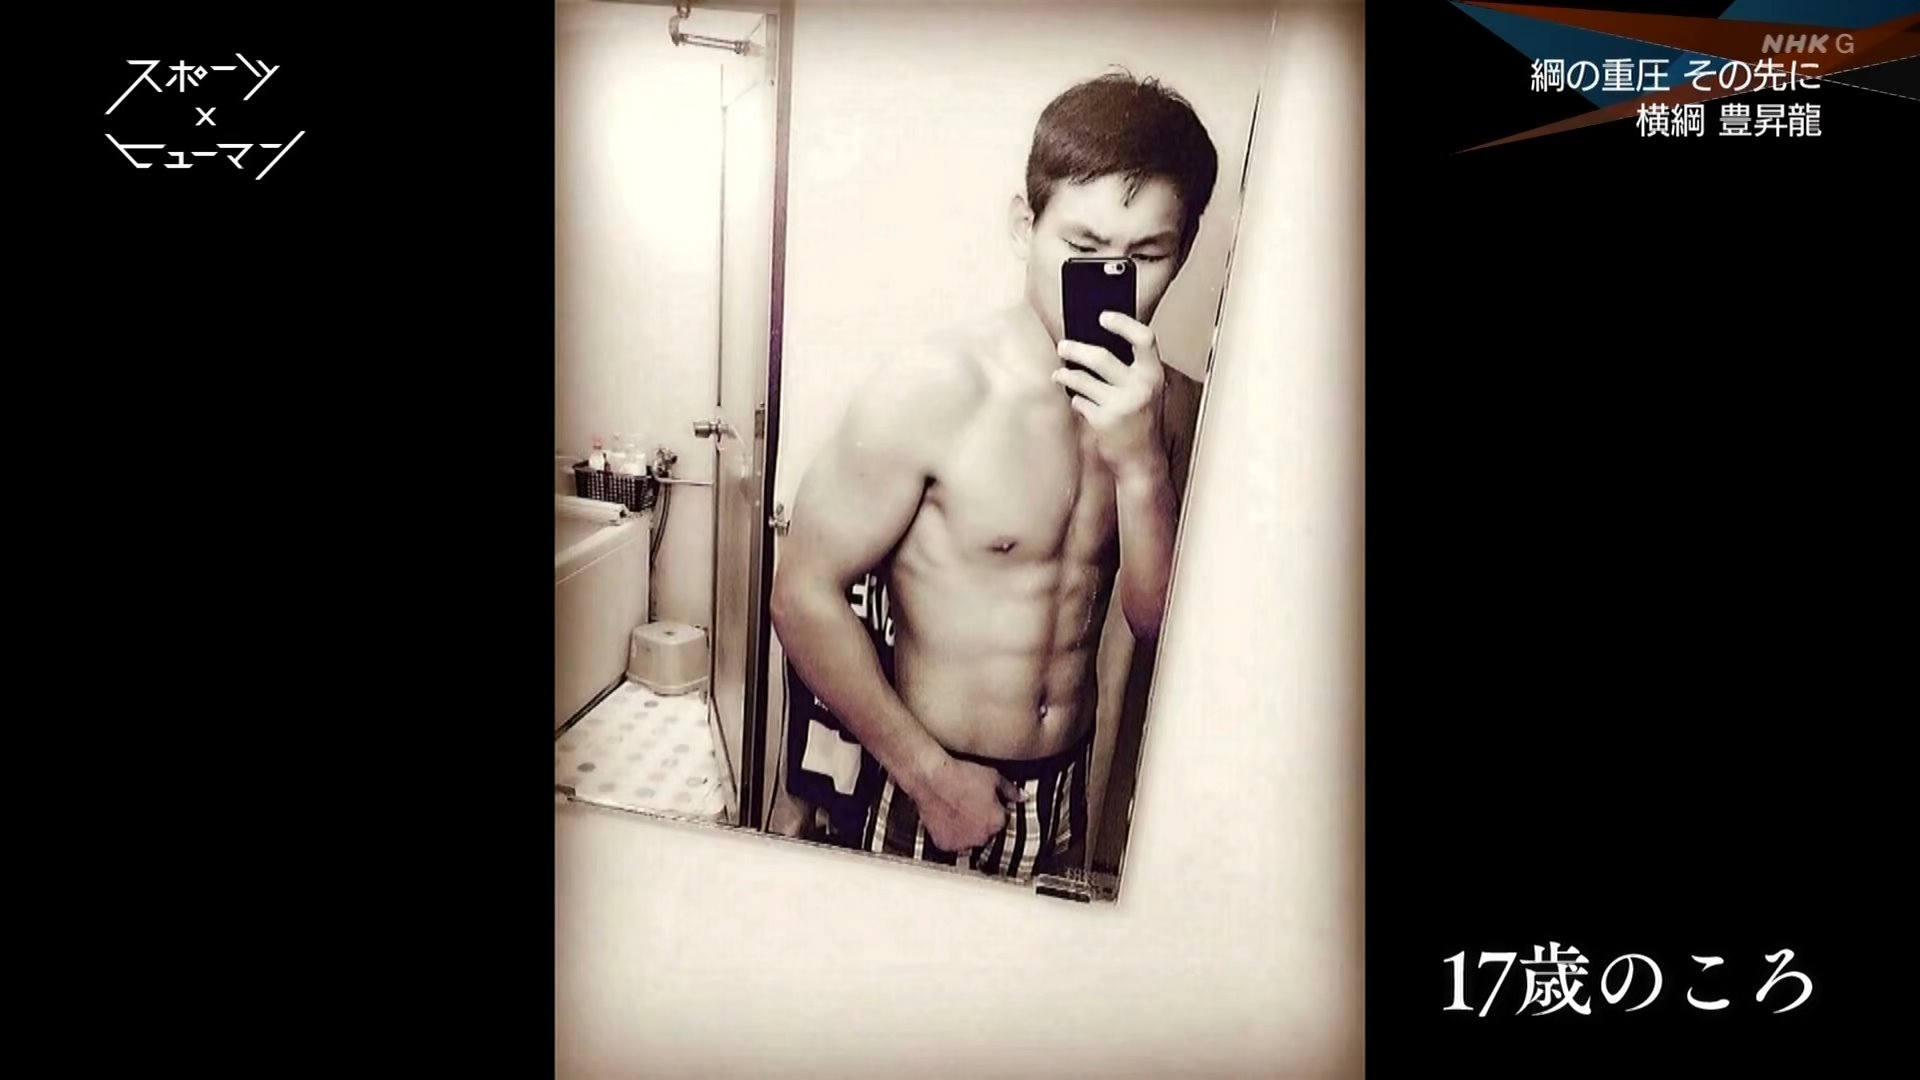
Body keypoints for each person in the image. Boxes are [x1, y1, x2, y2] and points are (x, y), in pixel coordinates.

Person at [769, 72, 1218, 880]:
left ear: (1181, 253)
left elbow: (1157, 627)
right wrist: (930, 778)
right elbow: (800, 593)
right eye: (1082, 247)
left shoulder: (1175, 408)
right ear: (1025, 226)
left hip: (1066, 793)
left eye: (1146, 255)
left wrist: (1141, 463)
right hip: (928, 780)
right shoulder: (933, 390)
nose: (1110, 280)